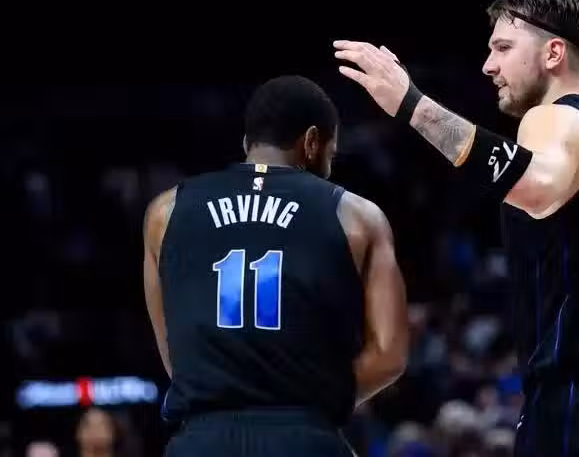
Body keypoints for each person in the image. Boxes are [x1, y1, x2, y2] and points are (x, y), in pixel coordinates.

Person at [334, 0, 579, 456]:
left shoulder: (554, 119)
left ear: (553, 53)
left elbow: (536, 186)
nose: (488, 65)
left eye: (504, 47)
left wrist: (412, 105)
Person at [143, 75, 409, 457]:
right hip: (303, 435)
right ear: (312, 142)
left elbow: (174, 353)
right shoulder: (358, 217)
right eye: (331, 155)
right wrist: (315, 402)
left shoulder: (165, 212)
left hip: (203, 437)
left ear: (246, 142)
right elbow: (389, 355)